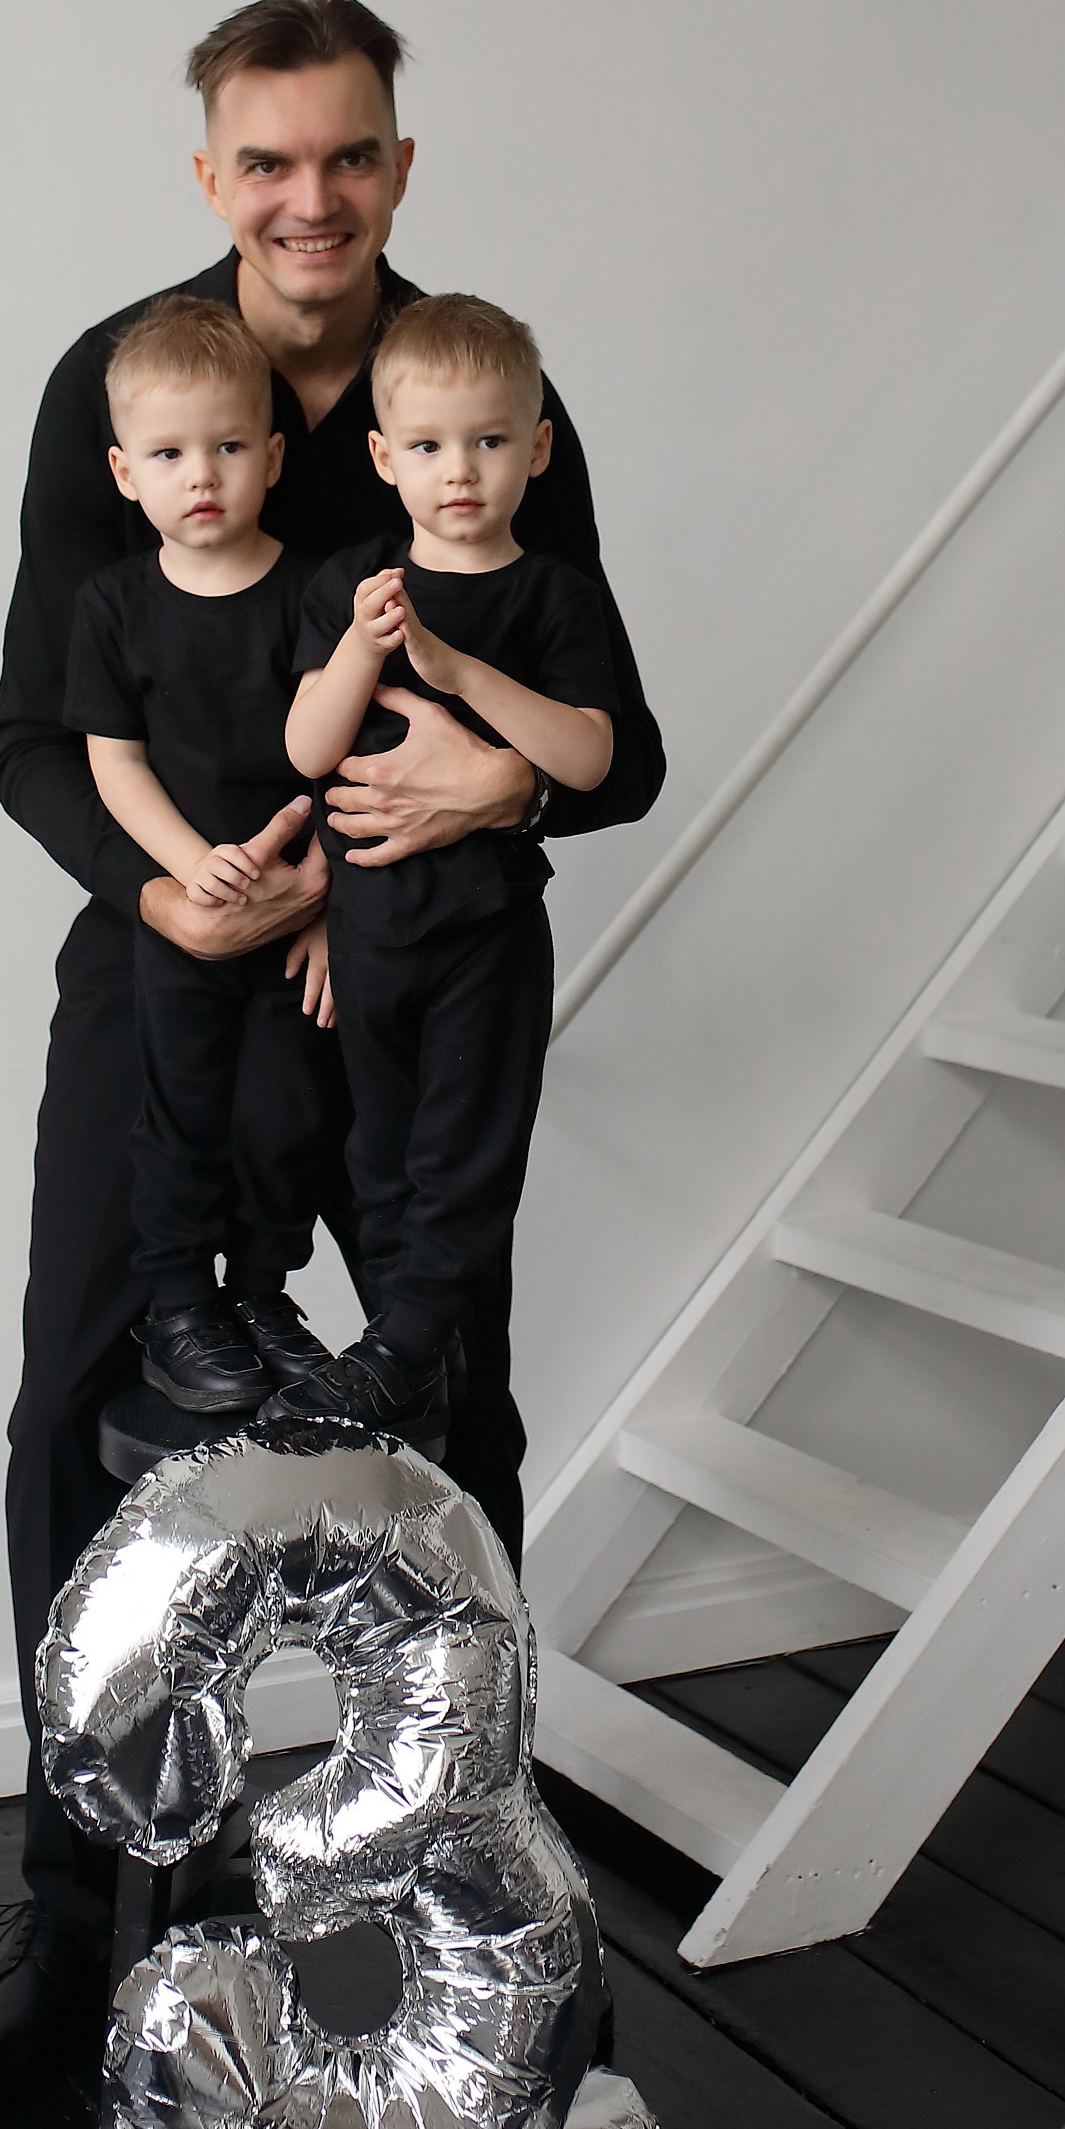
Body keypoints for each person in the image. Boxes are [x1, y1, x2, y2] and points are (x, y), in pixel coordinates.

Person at [0, 0, 664, 2107]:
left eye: (349, 154)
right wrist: (160, 888)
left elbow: (602, 734)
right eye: (267, 161)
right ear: (212, 176)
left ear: (398, 164)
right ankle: (71, 1909)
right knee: (68, 1409)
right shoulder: (128, 381)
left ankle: (482, 1908)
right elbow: (33, 734)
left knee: (455, 1412)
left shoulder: (482, 379)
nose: (310, 197)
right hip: (177, 964)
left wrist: (498, 785)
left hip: (408, 977)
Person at [266, 293, 617, 1442]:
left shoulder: (552, 594)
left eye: (488, 440)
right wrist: (361, 650)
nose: (458, 470)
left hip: (484, 932)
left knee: (463, 1156)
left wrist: (458, 671)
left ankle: (407, 1348)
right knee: (378, 1154)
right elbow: (306, 749)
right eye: (426, 445)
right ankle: (407, 1355)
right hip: (371, 932)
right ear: (383, 458)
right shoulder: (353, 585)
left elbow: (591, 756)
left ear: (537, 448)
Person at [65, 295, 340, 1413]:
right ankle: (179, 1303)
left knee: (288, 1112)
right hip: (183, 921)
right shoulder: (113, 606)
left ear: (271, 457)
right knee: (178, 1113)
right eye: (170, 454)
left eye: (228, 447)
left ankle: (260, 1292)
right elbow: (113, 761)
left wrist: (328, 906)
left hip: (298, 916)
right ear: (125, 473)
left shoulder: (313, 592)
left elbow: (346, 754)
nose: (202, 476)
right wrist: (185, 870)